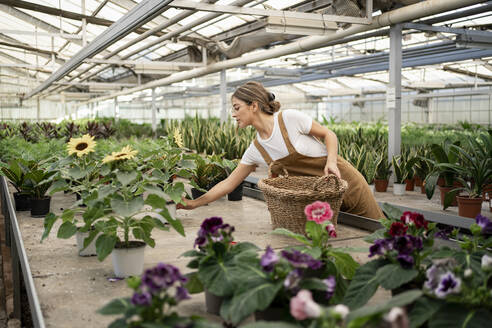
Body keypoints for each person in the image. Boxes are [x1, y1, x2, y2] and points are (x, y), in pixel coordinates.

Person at [177, 81, 384, 219]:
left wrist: (330, 161)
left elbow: (329, 135)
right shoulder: (256, 148)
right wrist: (196, 203)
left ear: (254, 106)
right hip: (321, 199)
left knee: (379, 230)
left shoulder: (289, 119)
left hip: (347, 184)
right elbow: (229, 184)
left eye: (237, 107)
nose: (233, 114)